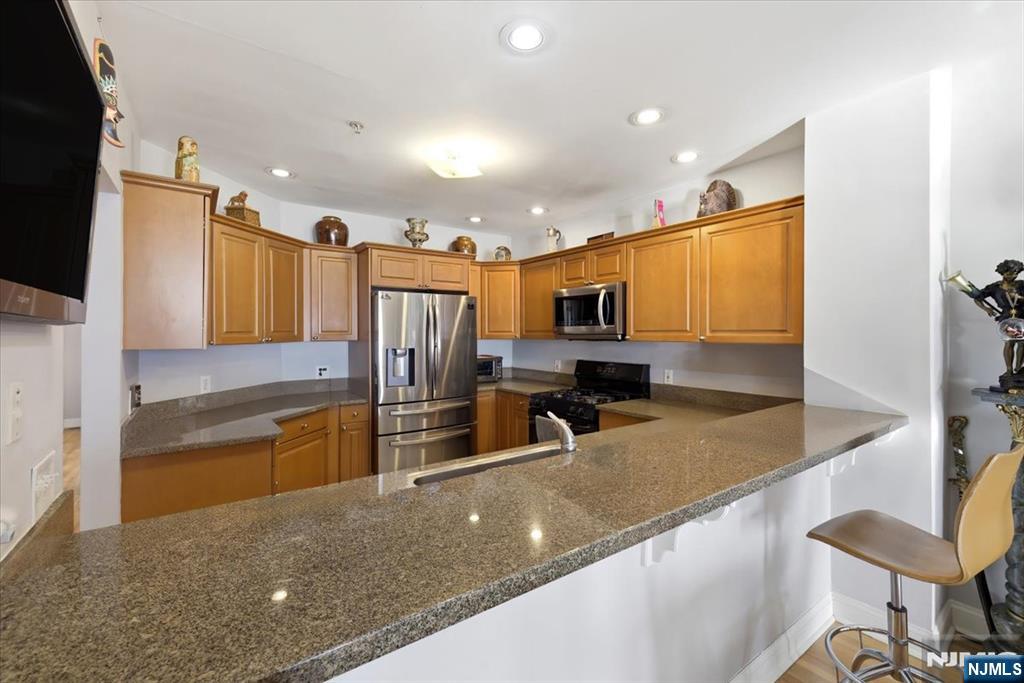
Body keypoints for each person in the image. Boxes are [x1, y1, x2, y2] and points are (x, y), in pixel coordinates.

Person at [970, 259, 1024, 377]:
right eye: (1009, 273)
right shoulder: (994, 287)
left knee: (1022, 343)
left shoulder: (1021, 285)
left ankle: (1019, 368)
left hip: (1022, 316)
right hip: (1006, 317)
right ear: (1003, 273)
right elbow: (977, 297)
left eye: (1016, 273)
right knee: (1009, 342)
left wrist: (1019, 297)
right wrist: (986, 309)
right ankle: (1009, 370)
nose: (1013, 276)